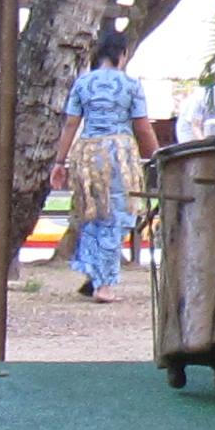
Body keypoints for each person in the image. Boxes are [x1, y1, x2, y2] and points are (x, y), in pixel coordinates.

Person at [51, 28, 158, 302]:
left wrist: (60, 161)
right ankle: (104, 284)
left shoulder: (83, 83)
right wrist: (157, 156)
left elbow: (71, 124)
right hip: (118, 153)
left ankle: (94, 273)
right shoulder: (131, 85)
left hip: (87, 153)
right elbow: (142, 127)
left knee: (92, 213)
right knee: (117, 215)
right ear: (122, 54)